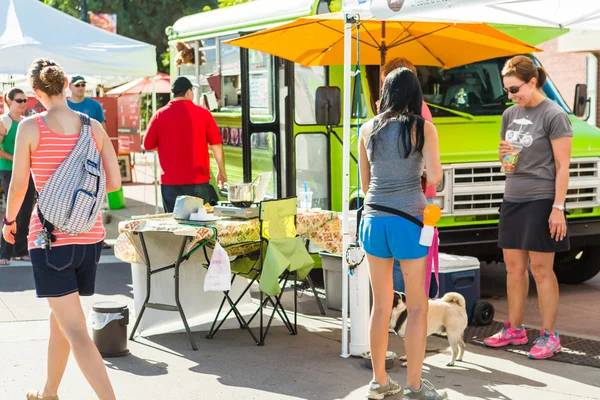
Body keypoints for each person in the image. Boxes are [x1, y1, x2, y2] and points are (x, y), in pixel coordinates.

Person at [2, 58, 120, 400]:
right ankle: (49, 392)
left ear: (36, 93)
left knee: (75, 329)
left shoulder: (31, 127)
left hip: (50, 238)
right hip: (90, 238)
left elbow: (19, 186)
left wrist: (9, 223)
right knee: (61, 318)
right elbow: (112, 183)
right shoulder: (93, 127)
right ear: (66, 83)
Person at [359, 68, 446, 399]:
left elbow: (366, 186)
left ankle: (380, 381)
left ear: (385, 93)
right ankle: (414, 387)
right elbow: (435, 175)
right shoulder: (423, 128)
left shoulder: (368, 129)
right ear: (415, 95)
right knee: (418, 305)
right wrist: (419, 165)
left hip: (373, 220)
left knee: (381, 305)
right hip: (408, 221)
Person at [484, 56, 572, 360]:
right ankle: (515, 329)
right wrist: (504, 156)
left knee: (541, 270)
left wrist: (557, 207)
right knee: (513, 269)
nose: (510, 96)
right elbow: (510, 166)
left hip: (541, 199)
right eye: (507, 90)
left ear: (532, 82)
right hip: (513, 197)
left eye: (514, 89)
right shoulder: (510, 114)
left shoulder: (554, 115)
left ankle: (550, 335)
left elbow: (563, 166)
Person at [380, 58, 436, 294]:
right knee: (408, 265)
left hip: (412, 197)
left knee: (400, 270)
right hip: (413, 199)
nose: (382, 90)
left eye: (385, 85)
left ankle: (399, 314)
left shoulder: (416, 117)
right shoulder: (416, 115)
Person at [143, 76, 227, 212]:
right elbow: (216, 144)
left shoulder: (159, 115)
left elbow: (148, 145)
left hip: (170, 181)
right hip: (198, 180)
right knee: (199, 224)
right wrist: (221, 171)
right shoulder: (203, 114)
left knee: (173, 224)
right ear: (188, 92)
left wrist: (166, 146)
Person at [67, 75, 112, 250]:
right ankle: (72, 233)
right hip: (69, 159)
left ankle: (98, 236)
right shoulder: (64, 106)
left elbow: (103, 131)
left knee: (95, 198)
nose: (81, 87)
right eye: (77, 85)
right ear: (69, 86)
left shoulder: (94, 106)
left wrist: (102, 156)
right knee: (71, 198)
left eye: (83, 84)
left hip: (92, 159)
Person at [0, 89, 36, 265]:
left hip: (26, 170)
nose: (23, 104)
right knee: (12, 210)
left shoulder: (25, 122)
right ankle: (4, 253)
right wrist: (17, 159)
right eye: (19, 100)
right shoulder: (3, 121)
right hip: (8, 170)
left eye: (25, 100)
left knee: (27, 208)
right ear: (9, 101)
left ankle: (20, 250)